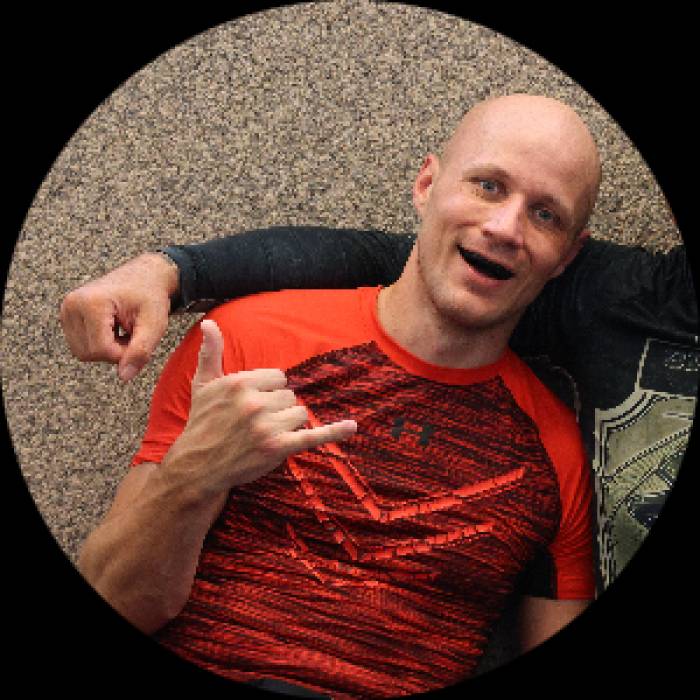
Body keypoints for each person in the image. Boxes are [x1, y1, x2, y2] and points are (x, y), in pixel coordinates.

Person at [75, 94, 599, 697]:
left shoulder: (557, 453)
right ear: (427, 184)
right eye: (488, 186)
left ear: (567, 257)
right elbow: (114, 598)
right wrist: (191, 477)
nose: (505, 228)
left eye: (545, 215)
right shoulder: (245, 340)